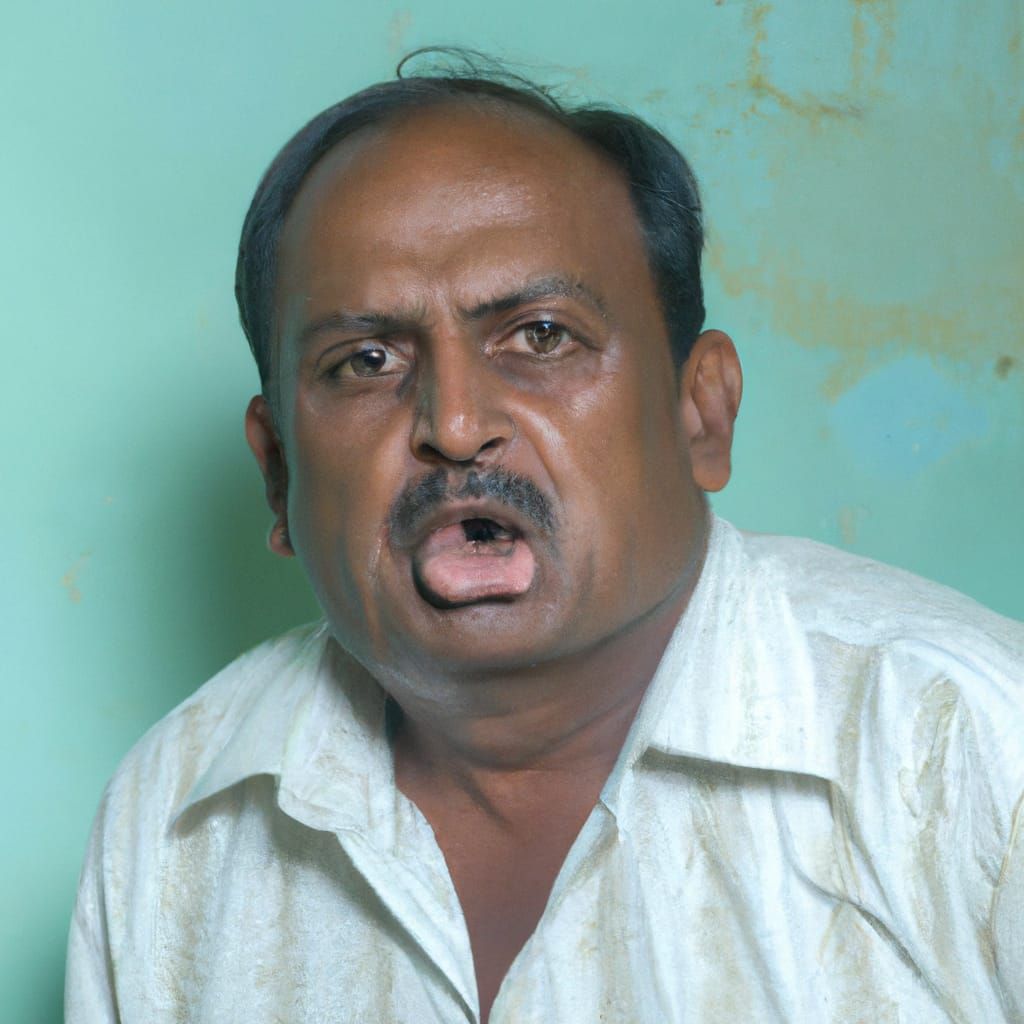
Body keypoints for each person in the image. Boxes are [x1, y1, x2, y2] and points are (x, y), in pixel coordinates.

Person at [65, 53, 1023, 1023]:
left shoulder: (969, 751)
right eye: (365, 359)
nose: (453, 420)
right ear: (278, 473)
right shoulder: (175, 821)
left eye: (540, 336)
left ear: (700, 412)